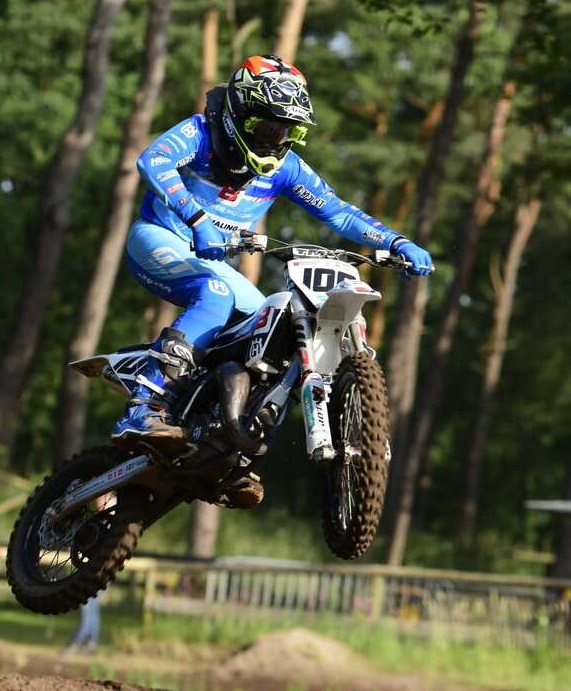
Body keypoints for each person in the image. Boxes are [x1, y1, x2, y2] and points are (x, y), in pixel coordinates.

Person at [111, 54, 432, 504]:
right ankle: (145, 405)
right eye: (265, 127)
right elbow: (153, 159)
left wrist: (396, 241)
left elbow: (338, 212)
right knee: (215, 293)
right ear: (238, 112)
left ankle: (225, 443)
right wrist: (196, 219)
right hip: (159, 238)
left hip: (214, 262)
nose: (274, 141)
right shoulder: (201, 133)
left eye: (286, 132)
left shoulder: (287, 168)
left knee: (268, 327)